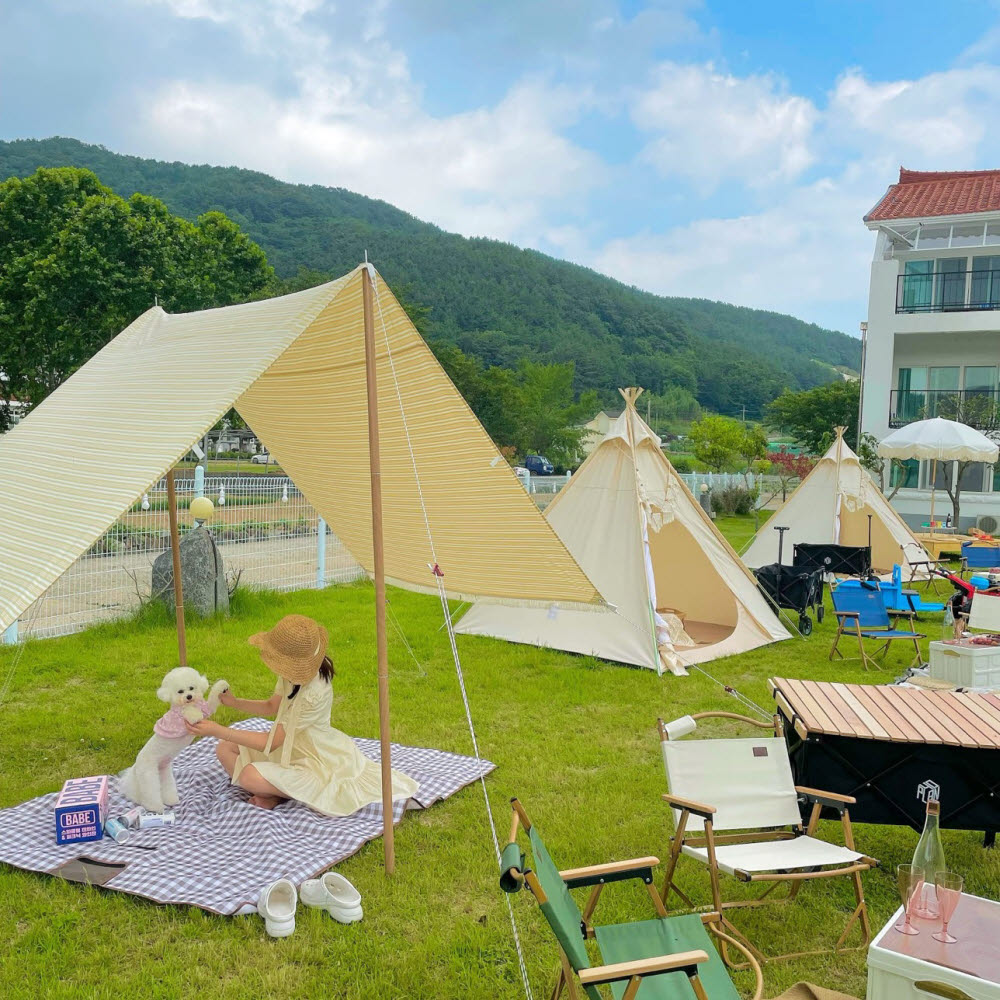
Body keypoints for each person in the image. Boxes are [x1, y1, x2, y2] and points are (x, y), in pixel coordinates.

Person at [186, 613, 418, 814]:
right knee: (224, 749)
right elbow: (271, 706)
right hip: (290, 746)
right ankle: (275, 792)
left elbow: (272, 742)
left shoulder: (313, 691)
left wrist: (220, 730)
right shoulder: (293, 672)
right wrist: (235, 703)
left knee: (248, 775)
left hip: (315, 758)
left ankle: (279, 793)